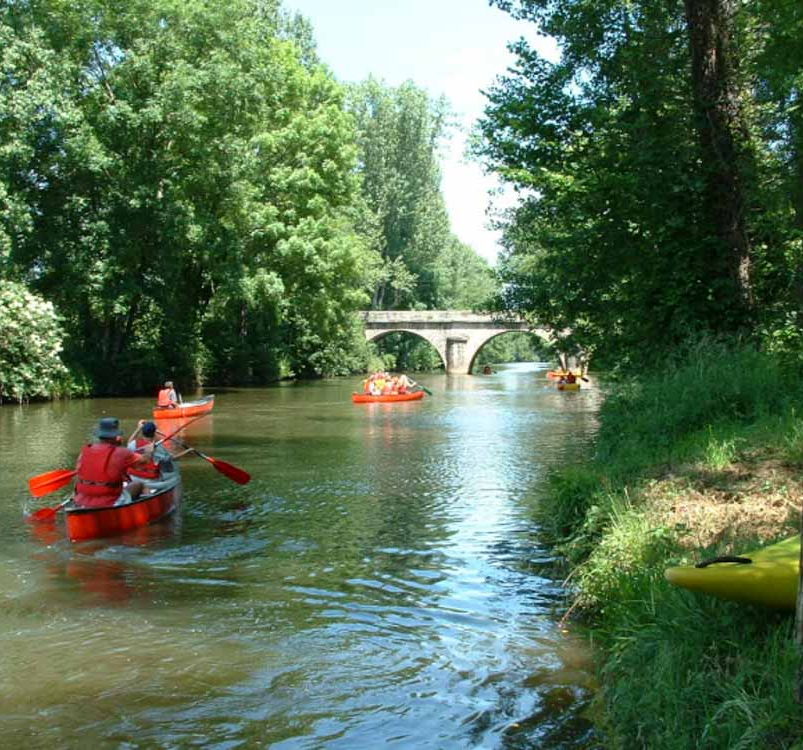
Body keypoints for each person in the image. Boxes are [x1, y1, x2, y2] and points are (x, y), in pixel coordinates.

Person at [73, 417, 154, 508]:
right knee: (139, 484)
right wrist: (149, 451)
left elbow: (77, 475)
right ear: (116, 436)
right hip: (110, 500)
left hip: (82, 500)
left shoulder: (84, 451)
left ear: (99, 435)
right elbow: (144, 462)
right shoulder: (122, 453)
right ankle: (150, 510)